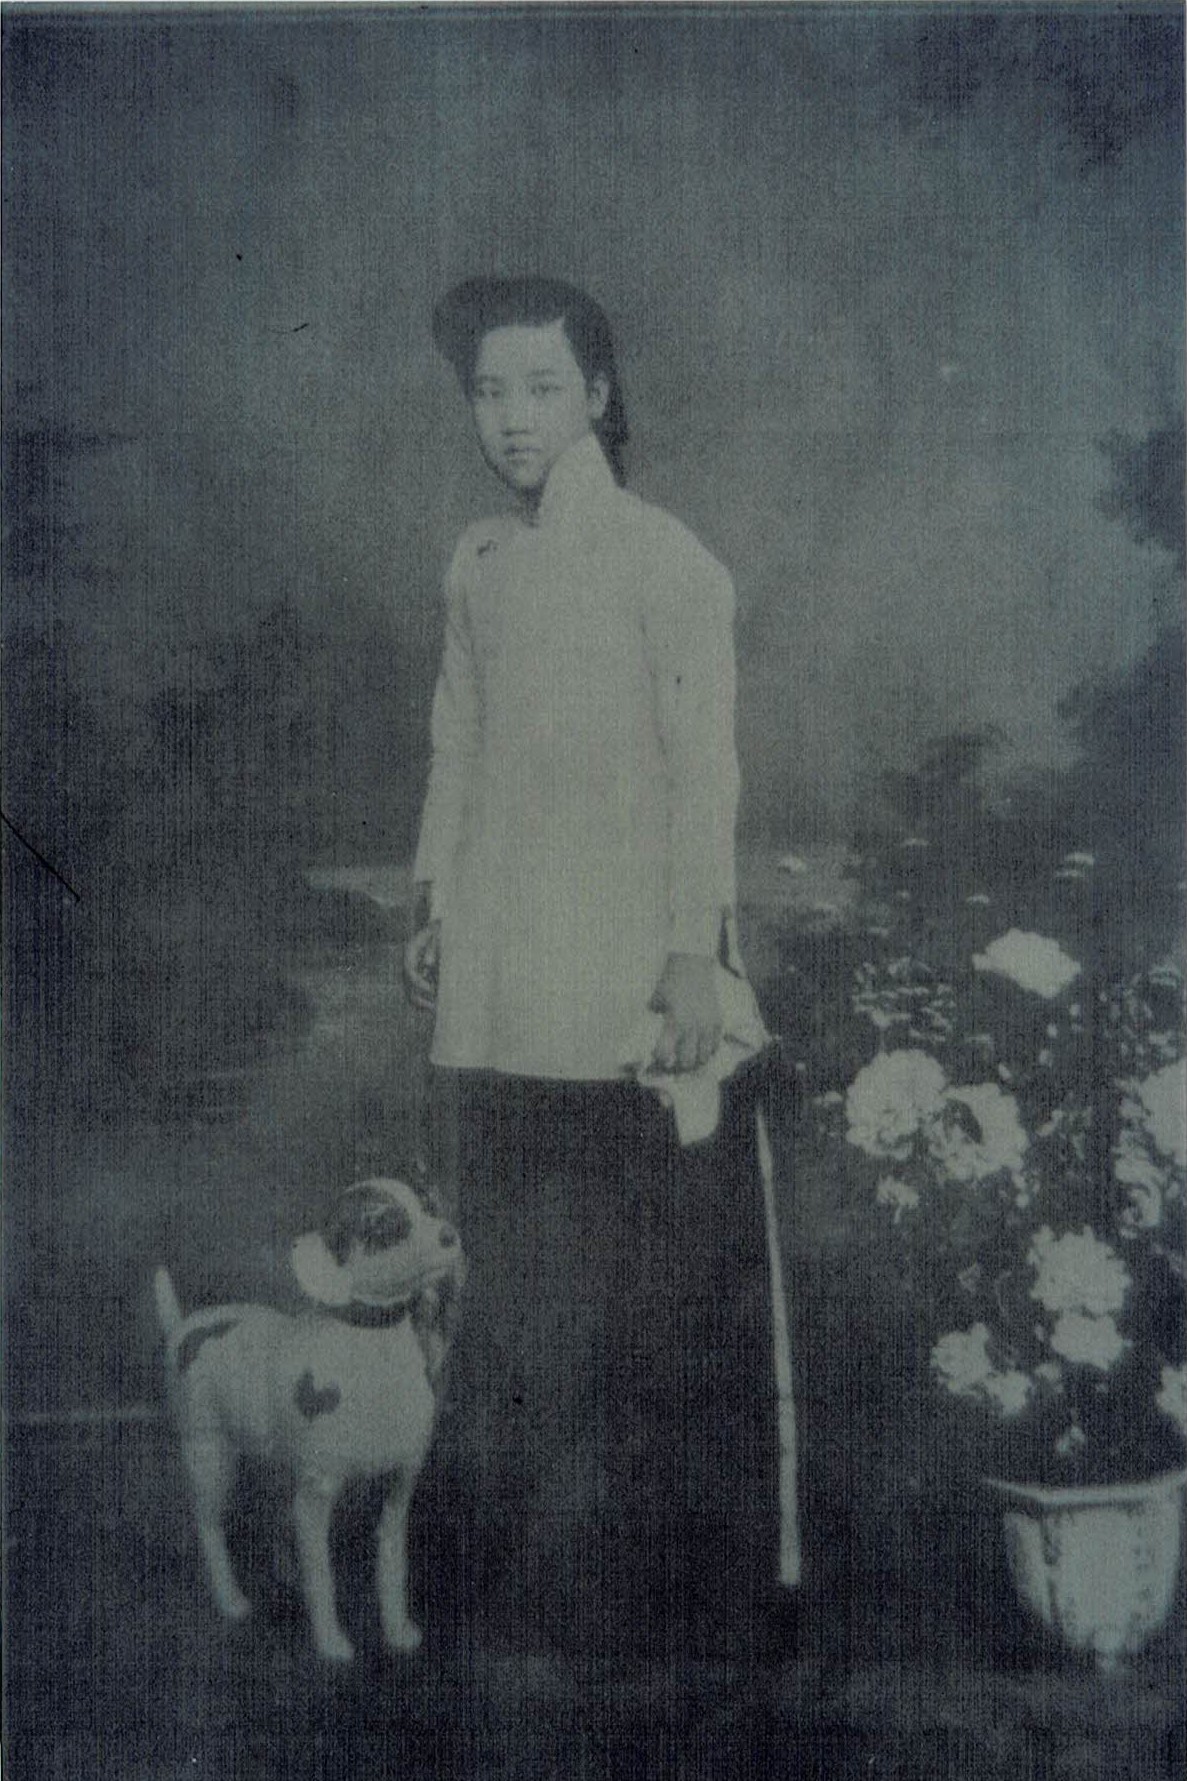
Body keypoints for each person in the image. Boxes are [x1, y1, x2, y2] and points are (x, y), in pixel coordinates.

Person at [404, 276, 782, 1662]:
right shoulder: (477, 564)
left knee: (641, 1299)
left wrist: (692, 947)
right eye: (489, 391)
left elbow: (706, 771)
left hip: (624, 980)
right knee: (508, 1281)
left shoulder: (667, 561)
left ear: (601, 395)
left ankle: (667, 1607)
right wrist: (436, 897)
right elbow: (459, 743)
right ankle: (469, 1591)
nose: (512, 420)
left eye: (542, 388)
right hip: (502, 973)